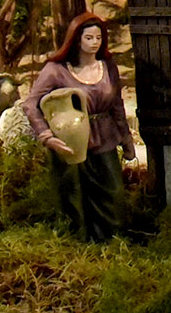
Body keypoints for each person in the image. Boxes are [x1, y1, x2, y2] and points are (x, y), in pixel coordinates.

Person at [24, 13, 134, 243]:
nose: (95, 43)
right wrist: (46, 136)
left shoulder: (108, 67)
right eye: (89, 38)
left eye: (99, 38)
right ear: (76, 39)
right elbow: (31, 104)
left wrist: (126, 138)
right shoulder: (56, 70)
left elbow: (116, 104)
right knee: (73, 193)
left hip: (104, 137)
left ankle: (112, 242)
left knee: (113, 193)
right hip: (69, 138)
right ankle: (77, 244)